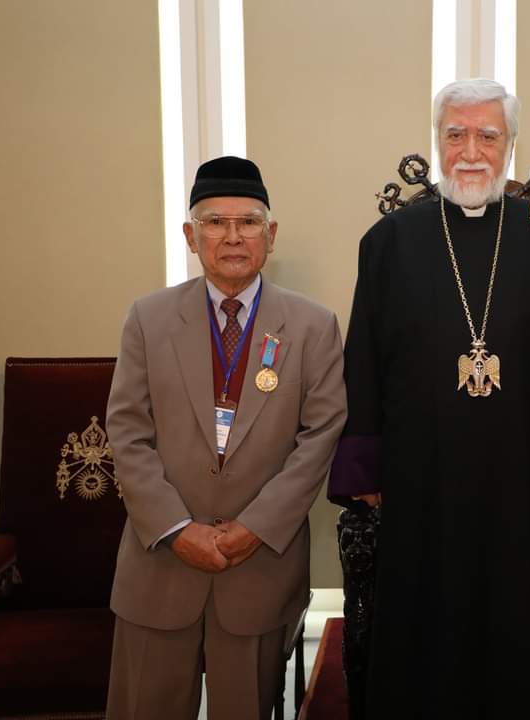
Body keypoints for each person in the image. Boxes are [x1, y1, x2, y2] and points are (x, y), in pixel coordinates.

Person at [327, 78, 530, 717]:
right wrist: (365, 468)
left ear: (511, 143)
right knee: (424, 631)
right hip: (421, 477)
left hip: (521, 477)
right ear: (437, 140)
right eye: (455, 134)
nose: (470, 151)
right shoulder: (390, 241)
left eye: (488, 136)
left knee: (517, 627)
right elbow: (364, 356)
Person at [105, 156, 347, 719]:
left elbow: (320, 437)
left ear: (271, 234)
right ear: (191, 236)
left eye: (248, 222)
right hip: (161, 566)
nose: (233, 237)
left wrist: (254, 529)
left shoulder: (313, 326)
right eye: (215, 222)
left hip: (257, 571)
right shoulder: (148, 319)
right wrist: (176, 529)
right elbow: (128, 431)